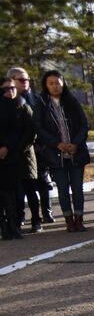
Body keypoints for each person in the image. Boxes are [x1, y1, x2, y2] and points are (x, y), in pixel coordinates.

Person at [33, 70, 90, 231]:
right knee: (63, 188)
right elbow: (38, 127)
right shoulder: (42, 104)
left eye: (58, 82)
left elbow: (83, 125)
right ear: (46, 85)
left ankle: (79, 219)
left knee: (77, 187)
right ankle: (69, 221)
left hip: (75, 152)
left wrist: (76, 143)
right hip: (55, 154)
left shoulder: (72, 102)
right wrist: (56, 143)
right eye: (51, 83)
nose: (55, 86)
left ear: (63, 83)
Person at [6, 67, 52, 232]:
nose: (25, 83)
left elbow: (38, 126)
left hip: (34, 149)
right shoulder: (8, 103)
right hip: (13, 152)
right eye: (21, 80)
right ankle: (18, 218)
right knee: (17, 190)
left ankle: (42, 215)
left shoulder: (36, 100)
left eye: (27, 79)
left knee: (39, 184)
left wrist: (41, 144)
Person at [0, 75, 37, 240]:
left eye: (12, 88)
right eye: (6, 89)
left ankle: (13, 225)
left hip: (13, 156)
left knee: (12, 193)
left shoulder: (20, 106)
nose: (10, 92)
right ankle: (4, 226)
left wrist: (7, 147)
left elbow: (23, 131)